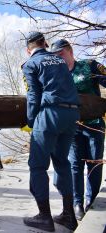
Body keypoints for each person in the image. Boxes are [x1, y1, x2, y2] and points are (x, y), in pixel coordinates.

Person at [21, 32, 80, 232]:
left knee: (37, 165)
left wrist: (31, 121)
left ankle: (44, 217)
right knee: (62, 162)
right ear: (45, 44)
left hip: (50, 115)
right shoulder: (59, 60)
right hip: (72, 114)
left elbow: (33, 95)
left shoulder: (30, 64)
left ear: (28, 49)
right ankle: (69, 215)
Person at [51, 39, 106, 220]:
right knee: (75, 166)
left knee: (94, 164)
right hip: (72, 129)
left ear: (70, 52)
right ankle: (78, 204)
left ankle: (91, 202)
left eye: (61, 54)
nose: (59, 59)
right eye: (55, 57)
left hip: (95, 126)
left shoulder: (89, 66)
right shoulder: (56, 77)